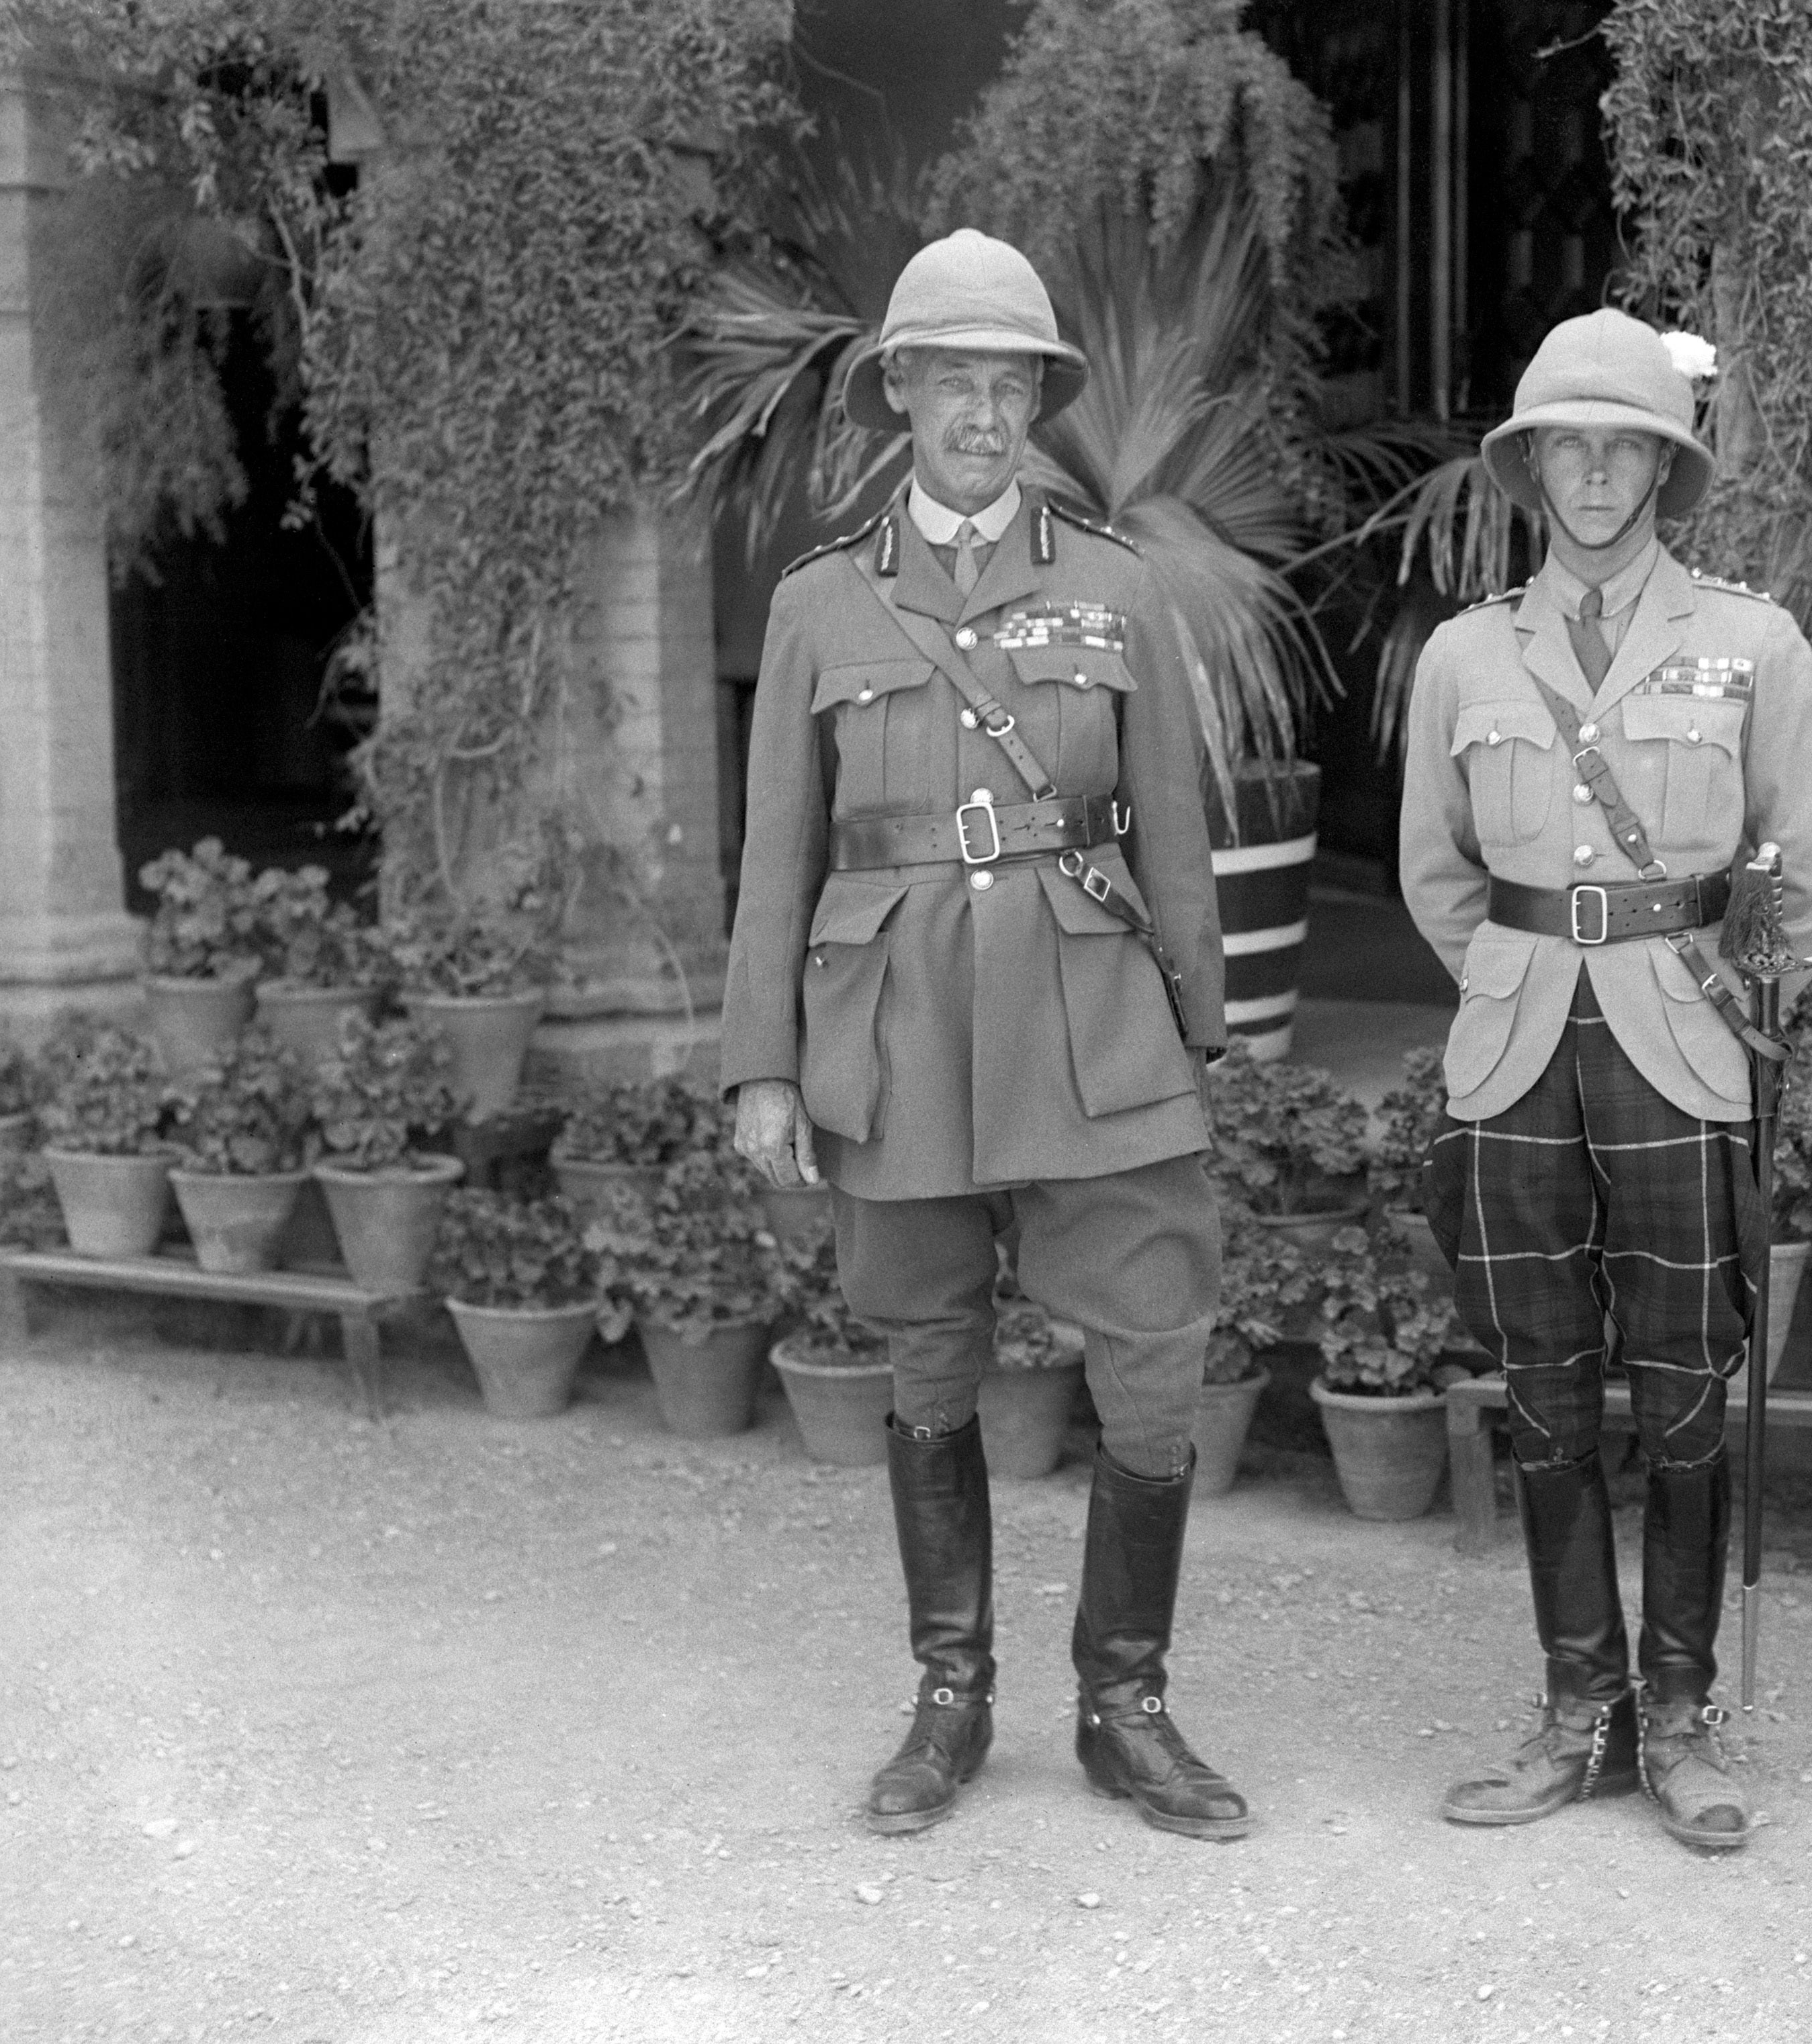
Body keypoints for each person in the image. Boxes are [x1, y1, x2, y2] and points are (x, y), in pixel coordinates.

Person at [721, 229, 1249, 1842]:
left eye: (1006, 378)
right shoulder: (819, 606)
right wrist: (761, 1064)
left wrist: (1199, 1032)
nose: (979, 407)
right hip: (892, 1026)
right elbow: (773, 859)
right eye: (950, 375)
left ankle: (1126, 1702)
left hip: (1092, 1018)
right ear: (900, 394)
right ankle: (950, 1697)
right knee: (925, 1345)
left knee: (1154, 1340)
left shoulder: (1118, 586)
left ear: (1037, 399)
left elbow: (1172, 827)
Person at [1398, 309, 1812, 1850]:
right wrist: (1522, 975)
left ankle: (1676, 1709)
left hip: (1679, 1040)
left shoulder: (1750, 641)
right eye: (1566, 447)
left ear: (1664, 467)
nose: (1594, 476)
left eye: (1624, 448)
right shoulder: (1466, 651)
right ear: (1531, 468)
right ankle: (1571, 1707)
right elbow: (1433, 873)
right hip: (1518, 1037)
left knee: (1681, 1389)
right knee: (1540, 1390)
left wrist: (1731, 995)